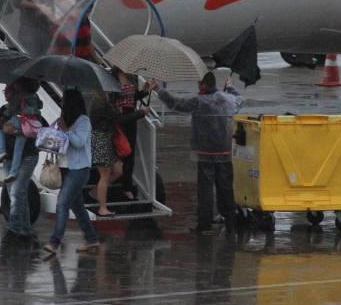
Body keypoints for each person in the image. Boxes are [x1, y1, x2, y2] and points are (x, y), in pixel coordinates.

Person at [149, 72, 243, 234]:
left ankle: (204, 224)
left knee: (205, 190)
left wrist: (158, 89)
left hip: (205, 151)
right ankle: (230, 221)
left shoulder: (200, 102)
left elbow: (176, 104)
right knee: (226, 188)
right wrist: (230, 86)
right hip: (224, 151)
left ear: (203, 85)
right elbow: (239, 99)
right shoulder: (229, 100)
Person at [43, 89, 100, 255]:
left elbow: (80, 143)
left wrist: (66, 129)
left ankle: (54, 242)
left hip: (79, 169)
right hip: (64, 168)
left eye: (64, 101)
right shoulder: (64, 119)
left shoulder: (83, 121)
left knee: (62, 204)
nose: (62, 104)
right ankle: (91, 239)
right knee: (78, 207)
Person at [0, 85, 41, 242]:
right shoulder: (4, 109)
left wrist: (17, 132)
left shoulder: (30, 109)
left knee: (16, 193)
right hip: (8, 158)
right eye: (4, 91)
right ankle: (25, 231)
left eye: (9, 91)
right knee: (17, 195)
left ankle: (12, 230)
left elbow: (40, 131)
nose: (5, 94)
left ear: (18, 93)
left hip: (27, 156)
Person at [89, 90, 150, 216]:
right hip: (101, 141)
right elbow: (121, 120)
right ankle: (102, 208)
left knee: (118, 171)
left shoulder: (103, 104)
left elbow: (113, 118)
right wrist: (140, 113)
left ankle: (95, 192)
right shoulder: (102, 105)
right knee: (105, 175)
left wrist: (117, 112)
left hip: (108, 139)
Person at [111, 67, 151, 200]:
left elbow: (133, 97)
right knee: (117, 151)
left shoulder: (132, 76)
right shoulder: (113, 76)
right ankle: (115, 181)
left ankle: (126, 187)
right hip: (118, 117)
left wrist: (144, 91)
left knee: (129, 154)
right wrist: (116, 107)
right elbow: (109, 98)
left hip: (131, 117)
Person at [0, 78, 43, 183]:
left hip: (17, 120)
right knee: (18, 149)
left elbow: (11, 109)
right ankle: (13, 172)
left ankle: (2, 151)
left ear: (21, 86)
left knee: (1, 128)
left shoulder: (19, 96)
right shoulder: (35, 96)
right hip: (29, 122)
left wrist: (6, 113)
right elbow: (40, 105)